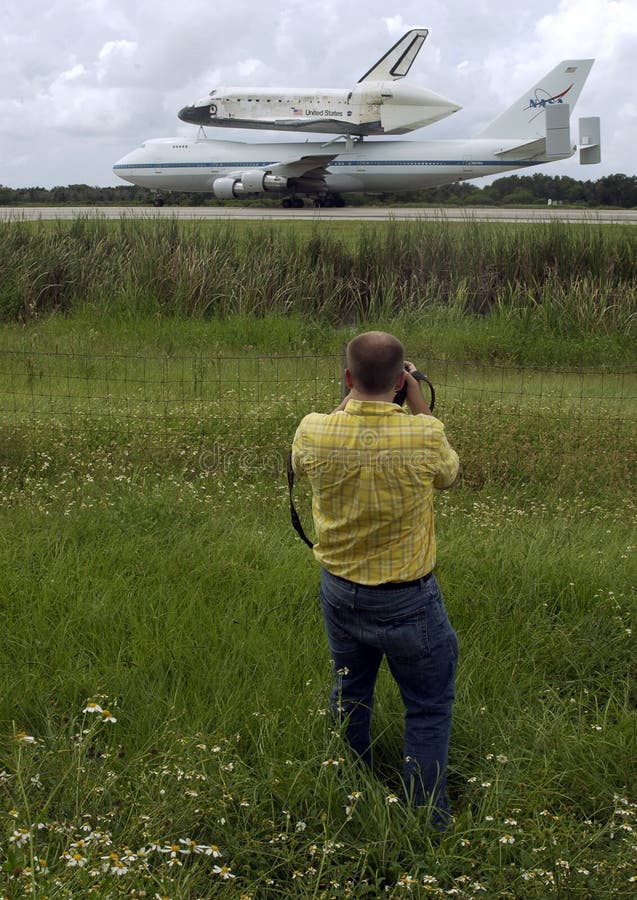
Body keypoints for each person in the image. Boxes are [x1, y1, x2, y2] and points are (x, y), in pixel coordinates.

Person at [291, 331, 459, 827]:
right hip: (410, 598)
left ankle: (349, 796)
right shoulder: (425, 433)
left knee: (350, 695)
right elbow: (449, 474)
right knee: (427, 706)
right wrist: (417, 403)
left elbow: (303, 462)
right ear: (400, 383)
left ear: (346, 379)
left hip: (340, 592)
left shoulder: (313, 429)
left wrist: (356, 399)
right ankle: (427, 819)